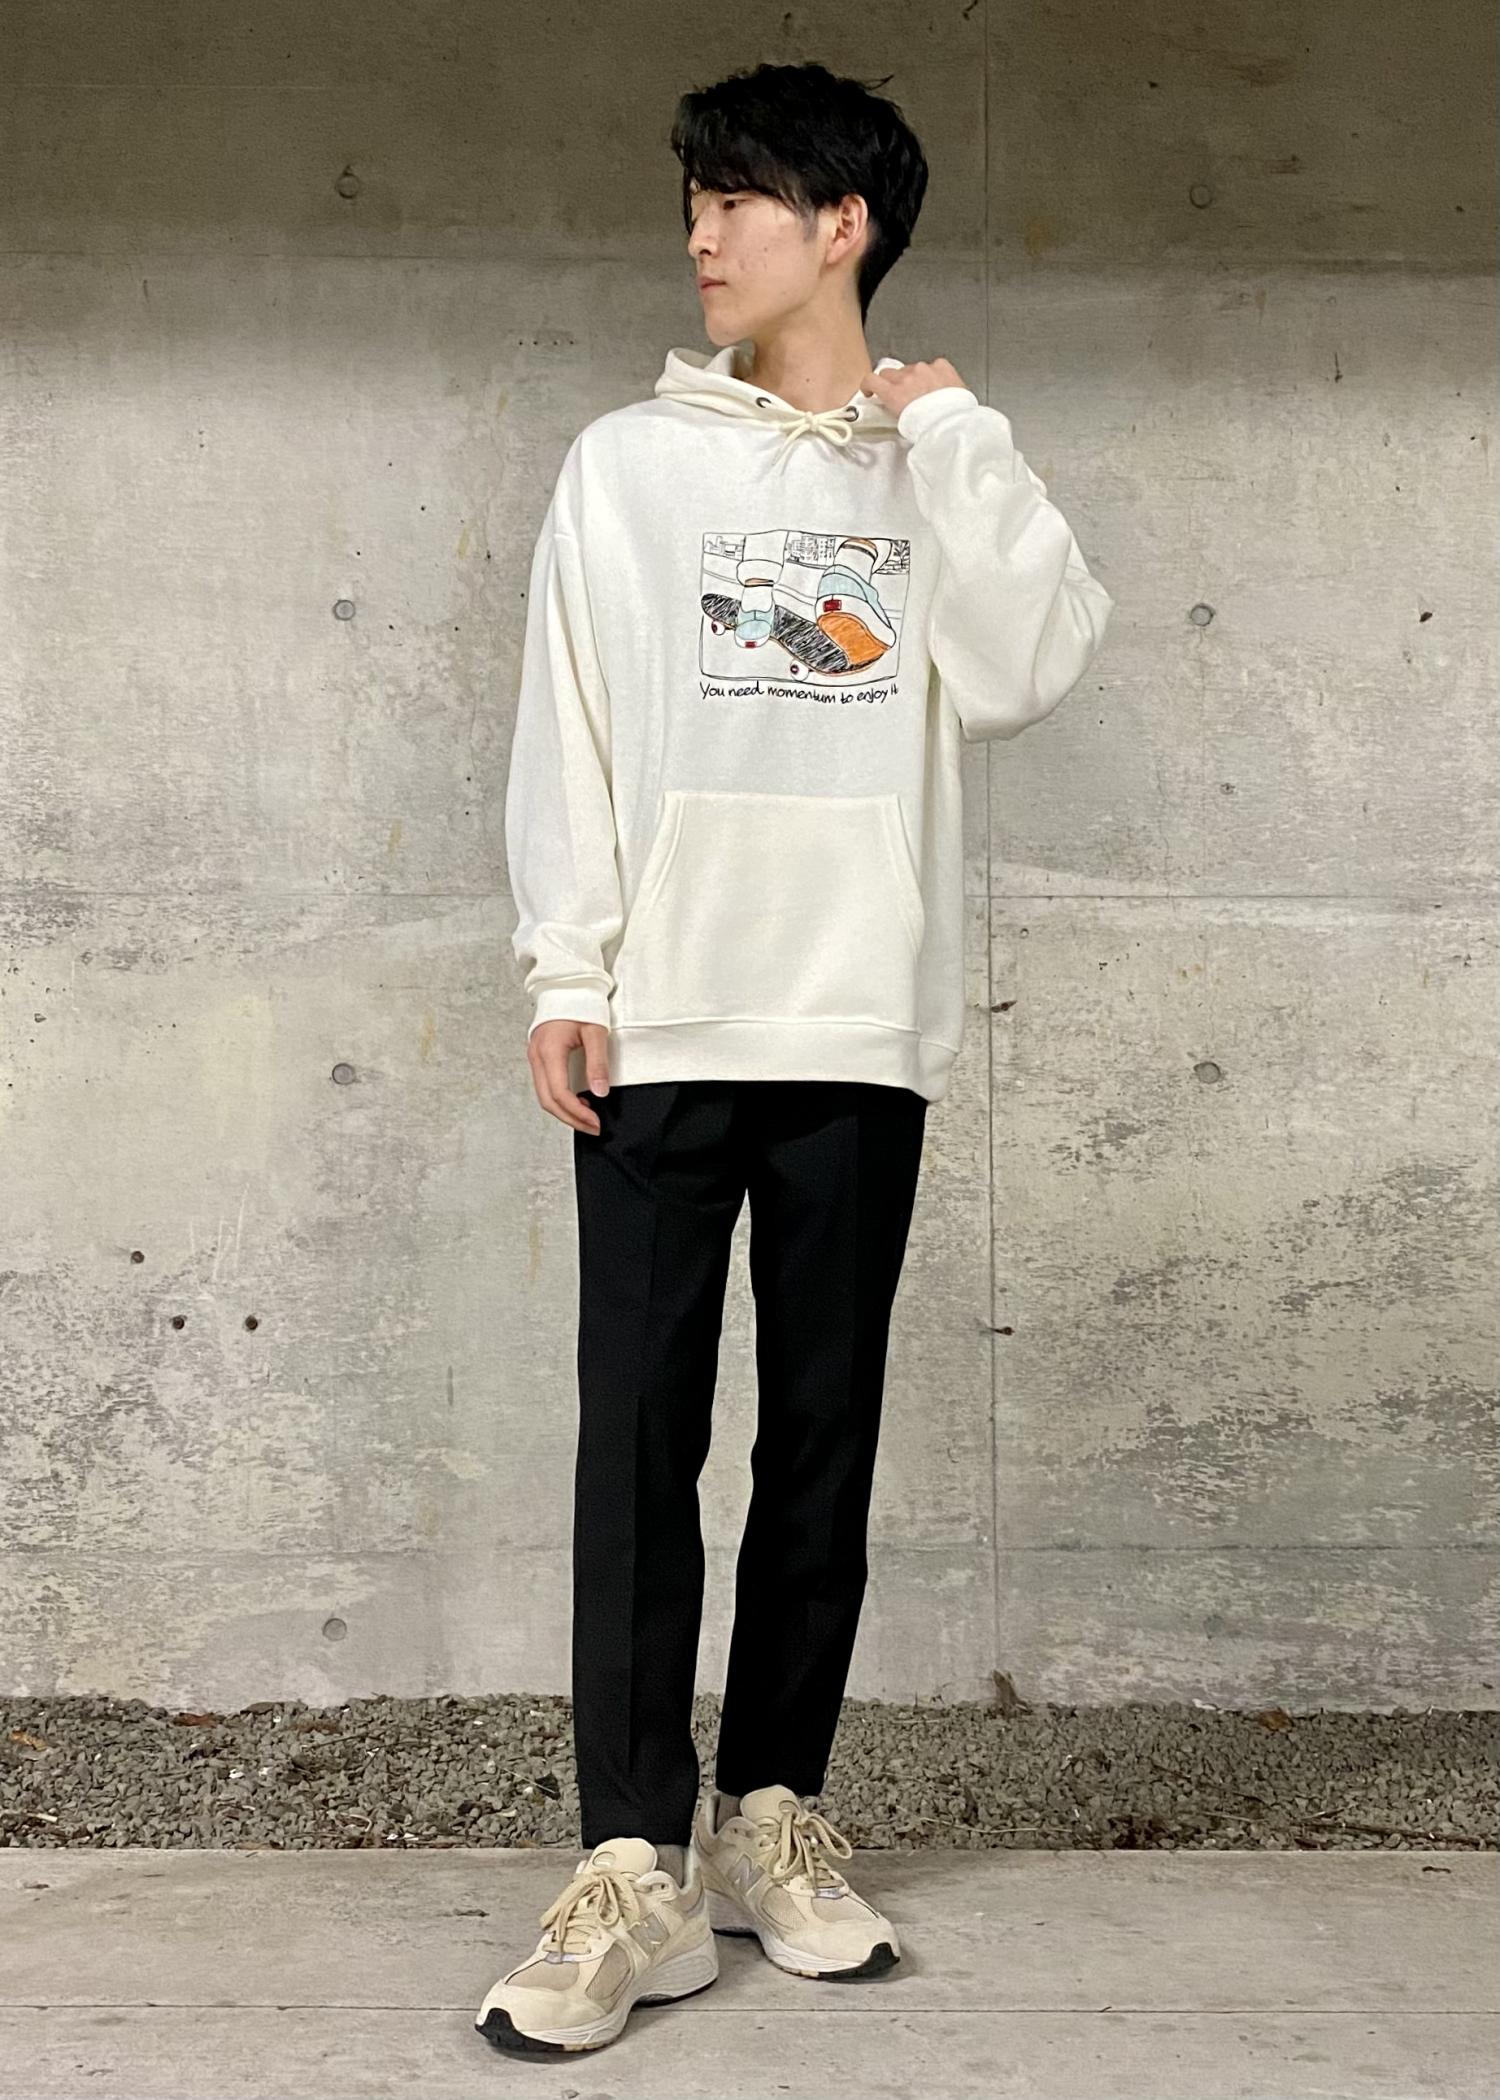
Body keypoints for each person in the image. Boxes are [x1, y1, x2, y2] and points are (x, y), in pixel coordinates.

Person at [476, 58, 1114, 2056]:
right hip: (663, 1016)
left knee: (820, 1445)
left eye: (738, 199)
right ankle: (628, 1865)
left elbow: (1033, 662)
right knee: (638, 1450)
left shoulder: (930, 470)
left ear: (844, 225)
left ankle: (771, 1819)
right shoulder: (625, 465)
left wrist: (957, 434)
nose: (701, 233)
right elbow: (569, 720)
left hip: (858, 1023)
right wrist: (565, 967)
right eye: (694, 200)